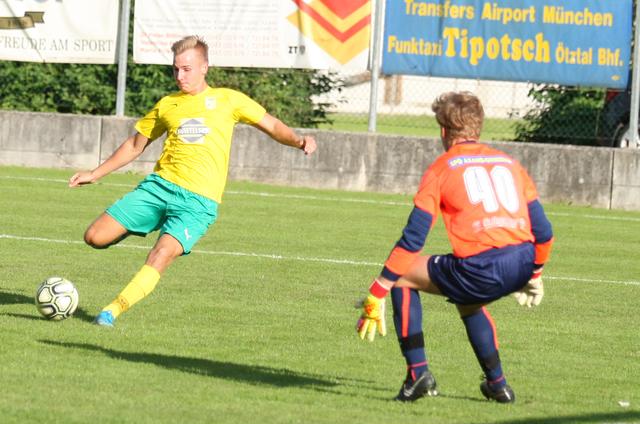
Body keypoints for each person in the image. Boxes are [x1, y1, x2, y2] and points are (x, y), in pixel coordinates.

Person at [69, 35, 317, 327]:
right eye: (175, 69)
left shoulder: (229, 100)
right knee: (94, 237)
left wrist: (299, 140)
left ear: (204, 68)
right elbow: (136, 145)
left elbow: (272, 125)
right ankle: (140, 225)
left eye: (186, 69)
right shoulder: (167, 105)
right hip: (159, 188)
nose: (179, 75)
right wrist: (95, 174)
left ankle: (112, 310)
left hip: (197, 203)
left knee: (160, 255)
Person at [355, 91, 553, 403]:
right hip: (522, 262)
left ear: (444, 132)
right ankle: (497, 385)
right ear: (478, 129)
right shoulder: (510, 163)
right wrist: (535, 273)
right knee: (468, 299)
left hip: (482, 266)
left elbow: (413, 239)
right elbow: (544, 231)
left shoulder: (442, 167)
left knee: (403, 276)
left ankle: (417, 374)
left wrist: (377, 290)